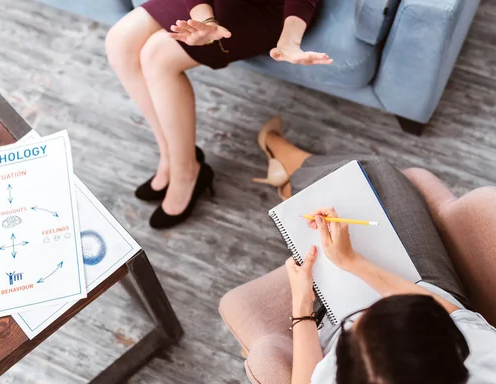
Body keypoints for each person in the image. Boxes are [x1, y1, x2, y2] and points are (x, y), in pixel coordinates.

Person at [253, 116, 496, 384]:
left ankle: (284, 164)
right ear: (459, 355)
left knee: (368, 173)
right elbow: (459, 318)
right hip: (425, 299)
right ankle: (290, 176)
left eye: (354, 330)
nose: (366, 310)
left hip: (326, 318)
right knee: (365, 181)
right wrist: (353, 262)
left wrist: (302, 304)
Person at [105, 0, 332, 229]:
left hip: (272, 9)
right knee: (119, 41)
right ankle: (171, 155)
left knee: (157, 57)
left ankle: (186, 172)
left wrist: (289, 40)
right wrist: (204, 19)